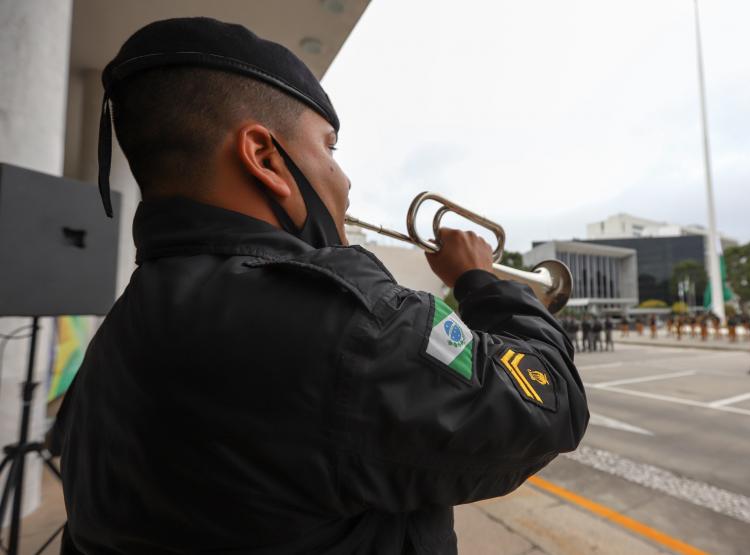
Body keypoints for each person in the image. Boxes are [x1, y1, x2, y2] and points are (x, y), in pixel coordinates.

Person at [50, 18, 589, 555]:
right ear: (265, 159)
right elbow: (550, 404)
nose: (344, 180)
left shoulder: (109, 349)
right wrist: (482, 282)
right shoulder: (348, 324)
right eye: (329, 149)